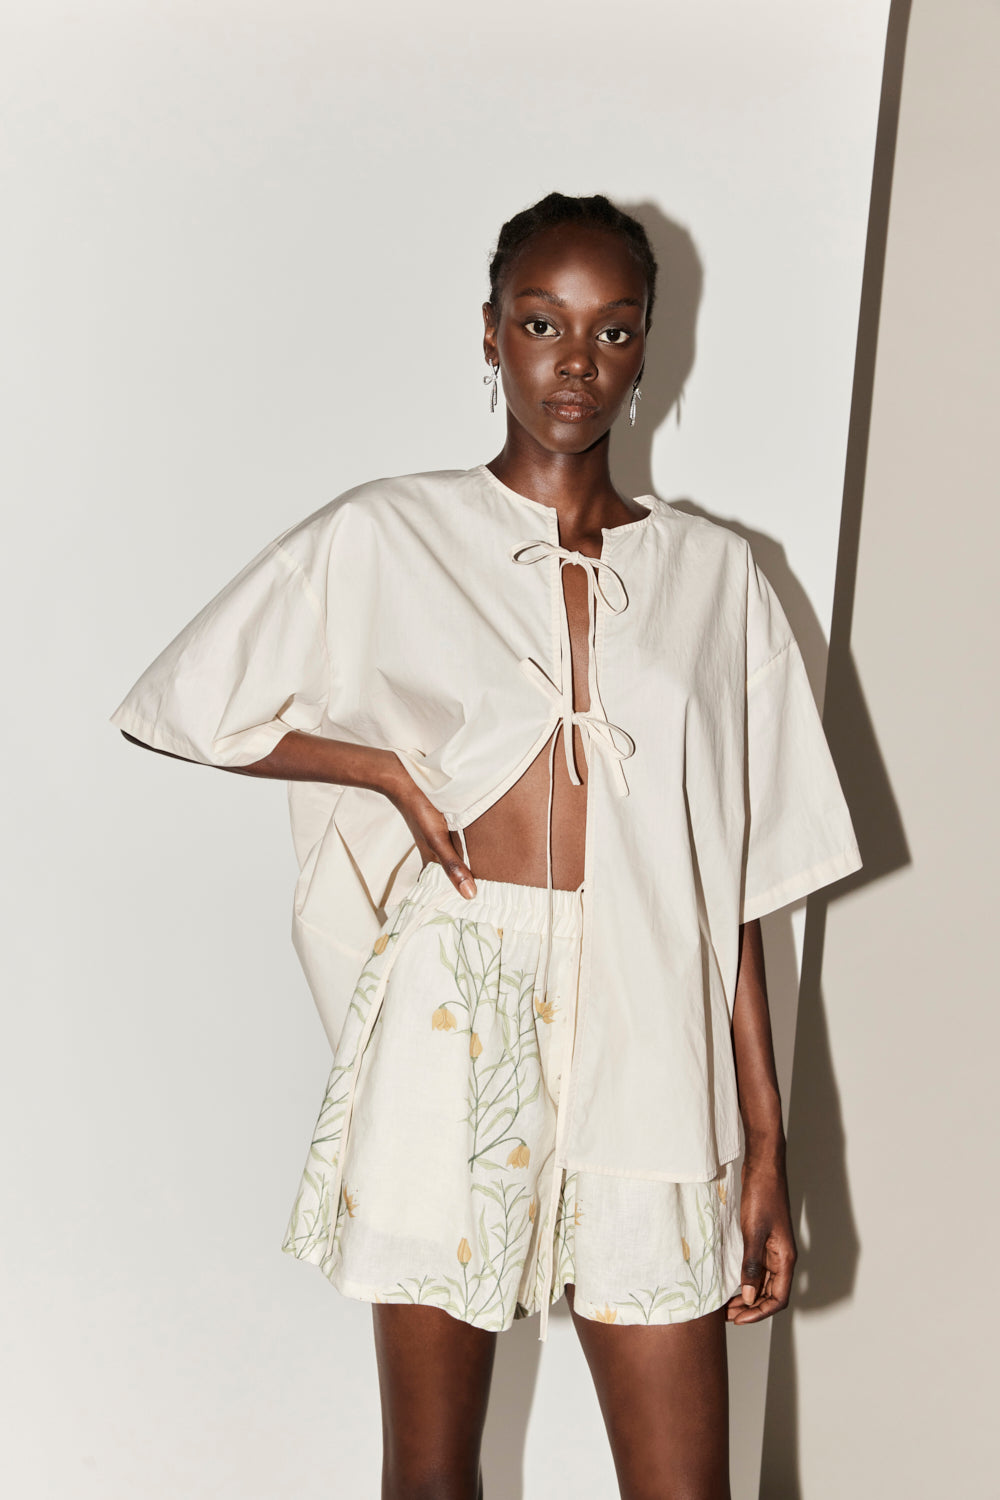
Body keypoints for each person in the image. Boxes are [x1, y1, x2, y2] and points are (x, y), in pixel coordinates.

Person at [110, 191, 862, 1499]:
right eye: (540, 322)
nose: (576, 362)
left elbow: (733, 882)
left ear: (648, 345)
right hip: (457, 1009)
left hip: (651, 1018)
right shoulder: (392, 532)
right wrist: (380, 771)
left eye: (612, 329)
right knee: (430, 1473)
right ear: (490, 334)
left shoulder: (717, 577)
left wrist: (766, 1143)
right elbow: (184, 702)